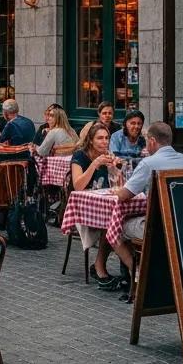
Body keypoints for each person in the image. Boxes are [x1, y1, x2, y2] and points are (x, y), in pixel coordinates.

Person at [109, 122, 183, 275]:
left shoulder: (148, 163)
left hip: (157, 228)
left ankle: (140, 275)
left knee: (116, 228)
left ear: (152, 141)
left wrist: (114, 189)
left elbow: (124, 195)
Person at [70, 123, 121, 289]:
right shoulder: (80, 157)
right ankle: (100, 268)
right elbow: (78, 186)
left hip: (103, 206)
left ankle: (126, 269)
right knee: (110, 223)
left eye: (107, 138)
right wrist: (94, 164)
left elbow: (120, 185)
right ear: (91, 141)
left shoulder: (108, 155)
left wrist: (116, 169)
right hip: (83, 209)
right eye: (100, 138)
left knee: (119, 220)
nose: (104, 141)